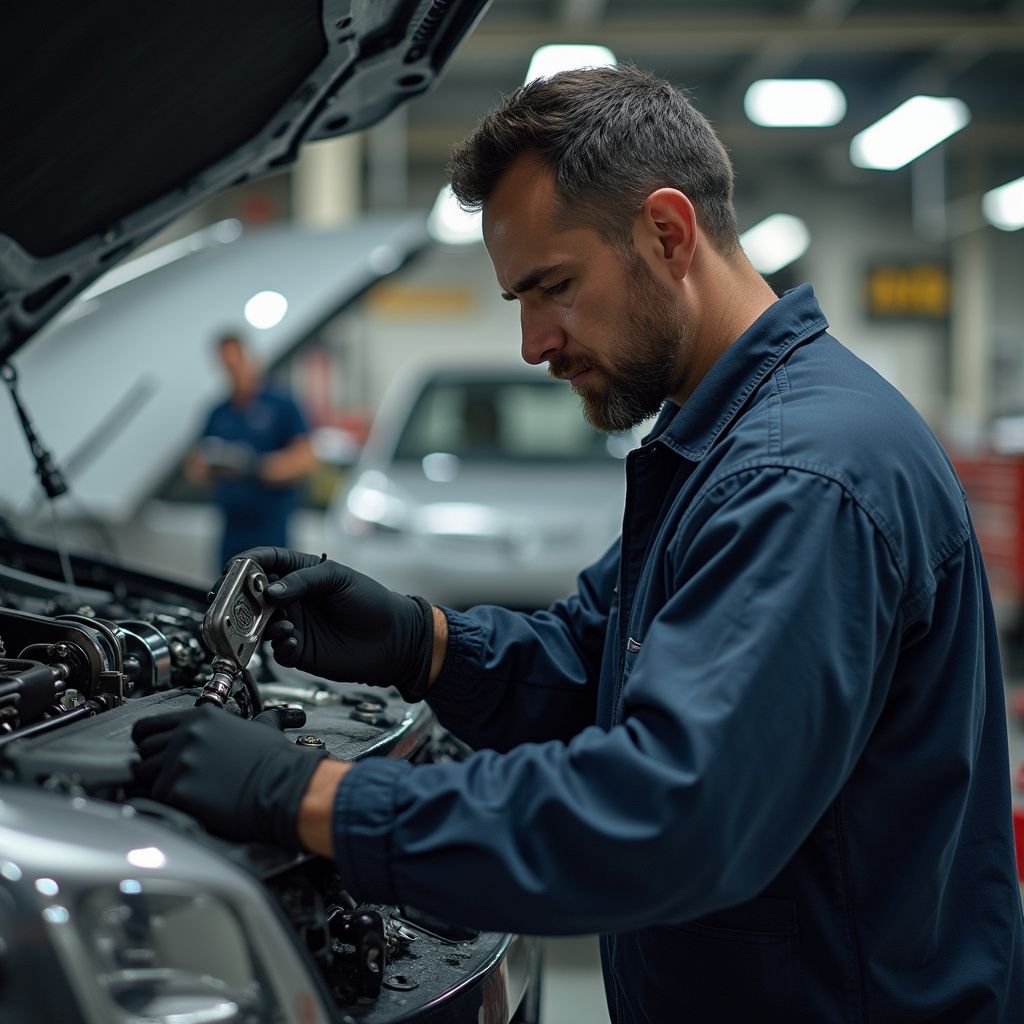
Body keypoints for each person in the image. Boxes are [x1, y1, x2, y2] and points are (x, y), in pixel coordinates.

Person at [133, 66, 1024, 1022]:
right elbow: (598, 659)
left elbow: (665, 819)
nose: (531, 341)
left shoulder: (798, 475)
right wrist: (421, 643)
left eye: (551, 287)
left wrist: (313, 797)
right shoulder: (720, 439)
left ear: (669, 234)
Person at [185, 332, 316, 569]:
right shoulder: (219, 412)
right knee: (225, 592)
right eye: (227, 366)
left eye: (238, 363)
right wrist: (210, 467)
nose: (234, 372)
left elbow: (305, 459)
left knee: (272, 589)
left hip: (270, 525)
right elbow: (195, 467)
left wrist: (257, 467)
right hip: (232, 526)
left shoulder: (281, 405)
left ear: (250, 359)